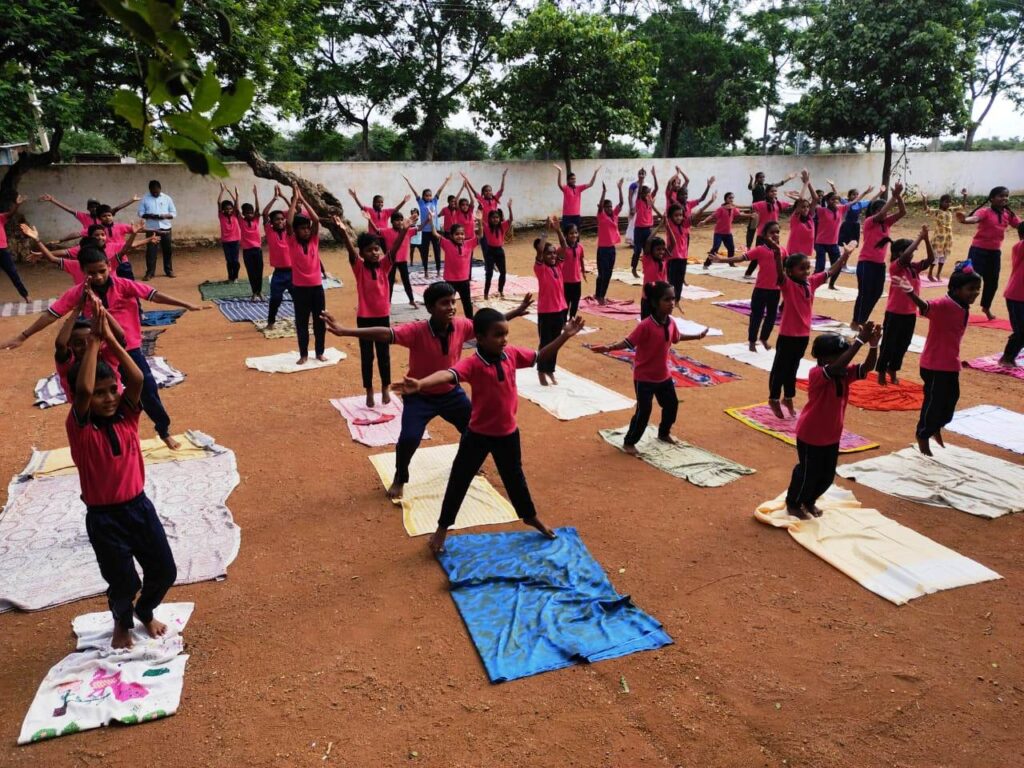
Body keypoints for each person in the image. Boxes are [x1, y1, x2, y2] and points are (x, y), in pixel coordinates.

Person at [391, 308, 582, 553]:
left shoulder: (511, 354)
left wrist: (565, 336)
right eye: (498, 335)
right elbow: (447, 375)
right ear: (479, 338)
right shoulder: (473, 364)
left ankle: (529, 516)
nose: (504, 339)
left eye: (506, 334)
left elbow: (539, 356)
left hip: (508, 435)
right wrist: (420, 383)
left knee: (515, 479)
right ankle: (442, 529)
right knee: (459, 480)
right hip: (477, 436)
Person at [322, 283, 533, 499]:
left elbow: (487, 327)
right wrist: (345, 331)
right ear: (430, 308)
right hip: (419, 397)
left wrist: (516, 312)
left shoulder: (461, 325)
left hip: (451, 394)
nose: (451, 307)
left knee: (474, 431)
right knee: (409, 439)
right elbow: (386, 334)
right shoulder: (417, 331)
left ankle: (466, 463)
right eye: (444, 303)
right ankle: (400, 477)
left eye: (453, 302)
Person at [2, 247, 203, 447]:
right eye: (91, 273)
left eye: (102, 271)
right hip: (100, 351)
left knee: (147, 388)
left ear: (109, 266)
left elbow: (154, 295)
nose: (98, 276)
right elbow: (51, 314)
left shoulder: (124, 285)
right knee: (102, 396)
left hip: (127, 348)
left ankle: (163, 431)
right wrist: (22, 336)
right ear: (83, 272)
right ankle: (107, 439)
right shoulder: (78, 293)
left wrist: (186, 304)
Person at [67, 300, 177, 649]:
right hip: (105, 519)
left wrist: (112, 342)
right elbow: (83, 391)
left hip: (139, 508)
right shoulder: (81, 429)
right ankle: (122, 622)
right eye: (100, 394)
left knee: (165, 571)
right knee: (123, 582)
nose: (109, 397)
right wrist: (94, 343)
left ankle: (145, 611)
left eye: (112, 389)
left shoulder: (127, 417)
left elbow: (137, 379)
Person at [589, 281, 709, 455]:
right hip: (644, 378)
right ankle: (629, 442)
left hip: (663, 376)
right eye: (667, 300)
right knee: (644, 411)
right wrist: (608, 348)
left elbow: (677, 337)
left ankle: (663, 433)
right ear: (654, 303)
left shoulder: (671, 322)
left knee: (671, 405)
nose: (672, 303)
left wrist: (697, 336)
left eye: (673, 299)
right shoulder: (645, 326)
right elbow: (628, 342)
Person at [785, 324, 880, 519]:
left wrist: (873, 345)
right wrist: (859, 341)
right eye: (840, 355)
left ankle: (809, 500)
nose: (844, 359)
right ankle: (793, 502)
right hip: (811, 434)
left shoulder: (843, 373)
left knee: (827, 476)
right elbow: (836, 366)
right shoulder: (817, 373)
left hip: (832, 435)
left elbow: (867, 368)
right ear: (824, 359)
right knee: (807, 473)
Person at [895, 262, 982, 456]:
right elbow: (926, 306)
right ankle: (923, 434)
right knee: (934, 403)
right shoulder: (945, 304)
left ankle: (935, 426)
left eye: (977, 289)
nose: (975, 293)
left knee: (951, 401)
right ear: (956, 289)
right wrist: (910, 293)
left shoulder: (962, 305)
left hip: (950, 364)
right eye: (971, 289)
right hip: (934, 365)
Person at [768, 248, 853, 418]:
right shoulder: (787, 284)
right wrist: (777, 257)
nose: (806, 271)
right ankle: (774, 398)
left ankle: (788, 397)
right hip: (787, 335)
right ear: (790, 271)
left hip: (803, 335)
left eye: (808, 267)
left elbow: (830, 271)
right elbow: (779, 274)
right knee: (780, 368)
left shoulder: (811, 282)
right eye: (802, 268)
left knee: (793, 367)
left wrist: (845, 255)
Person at [339, 221, 393, 408]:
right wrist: (344, 233)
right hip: (364, 318)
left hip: (383, 317)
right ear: (362, 253)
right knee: (367, 356)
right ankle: (369, 390)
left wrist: (403, 230)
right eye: (369, 250)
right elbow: (351, 251)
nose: (374, 253)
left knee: (384, 355)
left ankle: (385, 387)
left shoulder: (384, 266)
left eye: (377, 249)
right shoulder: (359, 268)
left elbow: (395, 249)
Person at [712, 221, 785, 352]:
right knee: (756, 316)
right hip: (761, 289)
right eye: (772, 232)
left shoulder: (783, 251)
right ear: (765, 235)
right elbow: (741, 258)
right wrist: (722, 260)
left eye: (777, 232)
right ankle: (752, 341)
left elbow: (788, 266)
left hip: (775, 290)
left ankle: (764, 338)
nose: (775, 235)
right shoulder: (760, 250)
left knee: (771, 316)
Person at [876, 227, 934, 385]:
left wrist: (926, 240)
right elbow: (906, 255)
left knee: (903, 344)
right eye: (910, 251)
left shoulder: (913, 267)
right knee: (888, 344)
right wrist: (919, 239)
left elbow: (930, 260)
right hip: (894, 313)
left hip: (910, 313)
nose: (912, 254)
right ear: (899, 253)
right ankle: (881, 371)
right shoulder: (895, 266)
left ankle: (893, 368)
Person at [957, 186, 1021, 320]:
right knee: (971, 280)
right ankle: (961, 307)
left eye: (1006, 196)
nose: (1004, 198)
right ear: (992, 198)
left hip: (995, 253)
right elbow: (975, 218)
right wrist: (964, 220)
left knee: (992, 282)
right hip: (978, 251)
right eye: (1001, 196)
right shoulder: (985, 211)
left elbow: (1020, 225)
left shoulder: (1008, 214)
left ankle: (986, 307)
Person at [851, 183, 906, 331]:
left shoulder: (887, 223)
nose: (886, 214)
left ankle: (862, 319)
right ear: (875, 211)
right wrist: (893, 197)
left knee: (876, 293)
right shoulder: (870, 221)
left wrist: (898, 197)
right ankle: (856, 321)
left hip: (879, 264)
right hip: (866, 263)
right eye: (882, 210)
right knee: (865, 293)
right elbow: (882, 214)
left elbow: (902, 212)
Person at [21, 222, 147, 281]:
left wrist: (134, 234)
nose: (98, 276)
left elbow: (126, 248)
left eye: (102, 235)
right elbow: (53, 257)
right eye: (96, 235)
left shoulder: (108, 262)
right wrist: (37, 241)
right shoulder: (77, 264)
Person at [286, 186, 327, 365]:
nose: (306, 231)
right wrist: (295, 200)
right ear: (296, 231)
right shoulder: (292, 241)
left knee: (320, 322)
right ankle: (303, 354)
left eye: (307, 228)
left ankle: (319, 352)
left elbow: (316, 220)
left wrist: (303, 198)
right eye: (302, 229)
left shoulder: (314, 241)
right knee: (302, 323)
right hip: (300, 289)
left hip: (317, 288)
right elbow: (288, 223)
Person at [742, 175, 801, 278]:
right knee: (758, 254)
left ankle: (780, 273)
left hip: (774, 234)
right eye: (771, 191)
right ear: (766, 193)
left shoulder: (779, 204)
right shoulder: (760, 204)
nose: (774, 193)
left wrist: (791, 195)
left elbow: (797, 203)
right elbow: (749, 207)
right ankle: (748, 273)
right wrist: (735, 207)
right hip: (762, 234)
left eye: (775, 191)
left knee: (778, 253)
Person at [534, 222, 568, 386]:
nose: (553, 256)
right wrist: (546, 231)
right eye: (549, 254)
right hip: (546, 312)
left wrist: (558, 230)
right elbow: (540, 250)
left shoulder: (559, 266)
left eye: (554, 253)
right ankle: (541, 371)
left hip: (561, 310)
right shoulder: (540, 269)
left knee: (555, 343)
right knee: (545, 342)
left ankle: (550, 370)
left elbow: (564, 246)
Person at [813, 186, 871, 276]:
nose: (835, 201)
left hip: (833, 243)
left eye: (836, 200)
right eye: (832, 199)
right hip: (821, 243)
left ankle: (831, 283)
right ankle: (814, 281)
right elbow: (814, 202)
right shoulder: (821, 210)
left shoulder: (841, 208)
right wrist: (808, 184)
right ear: (827, 201)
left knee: (837, 267)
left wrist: (865, 193)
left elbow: (854, 201)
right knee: (820, 267)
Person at [402, 174, 451, 278]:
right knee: (425, 252)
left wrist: (446, 181)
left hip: (435, 230)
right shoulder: (421, 203)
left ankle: (438, 271)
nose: (428, 197)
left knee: (437, 251)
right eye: (426, 195)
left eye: (430, 195)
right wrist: (408, 181)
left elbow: (439, 191)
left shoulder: (434, 201)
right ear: (423, 196)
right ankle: (425, 271)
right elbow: (415, 192)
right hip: (425, 231)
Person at [431, 216, 476, 318]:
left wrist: (480, 221)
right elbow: (435, 233)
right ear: (451, 236)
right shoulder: (446, 243)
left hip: (464, 281)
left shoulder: (468, 244)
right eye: (457, 234)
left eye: (462, 234)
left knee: (467, 303)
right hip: (450, 281)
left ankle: (470, 322)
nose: (460, 236)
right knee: (448, 303)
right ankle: (448, 321)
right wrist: (431, 221)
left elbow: (480, 235)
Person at [261, 186, 292, 329]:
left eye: (282, 219)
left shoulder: (290, 232)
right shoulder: (270, 232)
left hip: (293, 272)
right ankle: (271, 322)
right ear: (271, 223)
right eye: (277, 220)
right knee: (275, 299)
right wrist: (274, 198)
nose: (280, 221)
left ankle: (304, 318)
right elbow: (265, 213)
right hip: (279, 273)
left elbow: (293, 211)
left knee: (299, 298)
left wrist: (285, 196)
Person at [376, 210, 419, 309]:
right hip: (392, 261)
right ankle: (388, 302)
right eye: (396, 220)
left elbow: (419, 228)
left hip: (403, 261)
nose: (399, 222)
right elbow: (377, 230)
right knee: (390, 281)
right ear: (392, 222)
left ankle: (411, 300)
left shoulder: (408, 231)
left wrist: (428, 220)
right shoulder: (387, 231)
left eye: (401, 220)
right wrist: (370, 220)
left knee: (406, 281)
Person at [921, 189, 966, 282]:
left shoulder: (950, 210)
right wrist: (924, 199)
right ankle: (930, 274)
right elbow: (926, 209)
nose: (948, 204)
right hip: (938, 237)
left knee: (944, 256)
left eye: (949, 202)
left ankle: (938, 274)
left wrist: (965, 196)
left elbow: (962, 207)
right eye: (946, 202)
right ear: (941, 202)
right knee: (935, 256)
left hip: (948, 237)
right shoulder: (937, 211)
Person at [38, 193, 137, 235]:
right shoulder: (83, 216)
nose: (94, 208)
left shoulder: (103, 216)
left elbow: (117, 208)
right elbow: (69, 210)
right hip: (89, 241)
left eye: (96, 206)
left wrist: (132, 200)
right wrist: (53, 200)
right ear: (88, 209)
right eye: (91, 207)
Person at [746, 170, 797, 248]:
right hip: (757, 210)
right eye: (760, 177)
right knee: (752, 228)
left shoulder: (767, 186)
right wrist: (751, 180)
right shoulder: (755, 186)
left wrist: (789, 178)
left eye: (763, 177)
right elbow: (750, 187)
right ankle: (748, 246)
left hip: (767, 208)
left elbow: (779, 184)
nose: (762, 178)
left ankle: (771, 243)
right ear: (757, 178)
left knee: (769, 225)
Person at [698, 192, 752, 264]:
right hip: (718, 233)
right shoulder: (721, 209)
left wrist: (750, 215)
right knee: (715, 248)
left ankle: (731, 263)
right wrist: (704, 221)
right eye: (730, 198)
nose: (731, 199)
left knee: (731, 248)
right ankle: (707, 263)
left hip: (728, 233)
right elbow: (712, 215)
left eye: (732, 198)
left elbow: (740, 214)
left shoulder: (733, 208)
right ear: (725, 199)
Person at [137, 179, 176, 280]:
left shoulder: (167, 198)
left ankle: (169, 270)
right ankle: (150, 273)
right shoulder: (145, 199)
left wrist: (163, 216)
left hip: (166, 228)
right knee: (151, 251)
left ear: (160, 189)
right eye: (153, 192)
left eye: (156, 191)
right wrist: (150, 215)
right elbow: (140, 213)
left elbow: (173, 213)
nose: (155, 193)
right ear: (149, 189)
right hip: (151, 229)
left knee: (167, 250)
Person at [595, 179, 624, 305]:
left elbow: (621, 203)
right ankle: (600, 296)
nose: (610, 208)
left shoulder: (614, 215)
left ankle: (599, 295)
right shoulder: (601, 216)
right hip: (602, 249)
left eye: (611, 206)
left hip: (611, 249)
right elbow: (600, 207)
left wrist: (620, 188)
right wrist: (604, 192)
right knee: (602, 274)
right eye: (607, 207)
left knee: (608, 273)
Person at [1000, 223, 1024, 366]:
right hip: (1017, 295)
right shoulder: (1019, 247)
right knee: (1021, 330)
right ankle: (1007, 357)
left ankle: (1009, 357)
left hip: (1018, 295)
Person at [553, 219, 586, 318]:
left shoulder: (580, 247)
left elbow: (581, 259)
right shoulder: (561, 249)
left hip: (577, 281)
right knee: (565, 303)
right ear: (566, 235)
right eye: (571, 233)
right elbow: (555, 262)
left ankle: (572, 319)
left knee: (575, 302)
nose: (574, 235)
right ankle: (563, 321)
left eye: (576, 233)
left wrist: (583, 271)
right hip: (565, 282)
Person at [0, 195, 31, 301]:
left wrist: (17, 204)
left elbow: (10, 214)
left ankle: (25, 295)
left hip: (2, 251)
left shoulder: (0, 217)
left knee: (13, 273)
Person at [554, 163, 600, 232]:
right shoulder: (566, 188)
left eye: (575, 179)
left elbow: (590, 184)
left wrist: (595, 173)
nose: (574, 180)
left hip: (576, 216)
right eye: (572, 179)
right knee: (566, 233)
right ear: (568, 180)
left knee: (576, 233)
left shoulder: (579, 188)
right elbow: (559, 184)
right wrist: (560, 171)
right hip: (567, 216)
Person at [631, 167, 659, 276]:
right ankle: (634, 268)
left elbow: (656, 188)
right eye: (645, 193)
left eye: (648, 193)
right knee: (637, 250)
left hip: (648, 229)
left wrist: (654, 175)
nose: (647, 195)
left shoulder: (650, 201)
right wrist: (641, 179)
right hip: (639, 229)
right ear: (641, 194)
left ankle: (646, 268)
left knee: (648, 250)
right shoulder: (639, 201)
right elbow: (639, 191)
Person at [481, 204, 513, 300]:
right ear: (489, 219)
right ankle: (486, 293)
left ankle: (500, 290)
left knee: (503, 272)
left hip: (499, 251)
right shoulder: (487, 227)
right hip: (490, 251)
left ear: (499, 219)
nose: (495, 219)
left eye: (497, 218)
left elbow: (511, 219)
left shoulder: (502, 226)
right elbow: (479, 221)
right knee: (489, 273)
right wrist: (480, 210)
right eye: (493, 218)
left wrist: (509, 208)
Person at [239, 186, 265, 301]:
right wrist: (236, 197)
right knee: (251, 272)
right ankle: (254, 292)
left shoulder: (256, 220)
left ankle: (260, 292)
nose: (250, 214)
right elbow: (236, 211)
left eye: (251, 212)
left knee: (259, 271)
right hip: (247, 251)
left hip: (257, 250)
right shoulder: (241, 222)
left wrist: (255, 195)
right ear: (243, 213)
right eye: (247, 213)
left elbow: (258, 210)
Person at [217, 184, 243, 282]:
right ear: (223, 210)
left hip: (235, 240)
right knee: (229, 260)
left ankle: (235, 277)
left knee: (235, 260)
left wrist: (235, 194)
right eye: (226, 209)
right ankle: (230, 276)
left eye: (230, 208)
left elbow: (236, 203)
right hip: (226, 241)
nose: (229, 210)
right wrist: (222, 191)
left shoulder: (235, 215)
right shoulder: (221, 216)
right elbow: (219, 202)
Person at [626, 168, 646, 247]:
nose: (641, 175)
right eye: (639, 173)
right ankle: (632, 241)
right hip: (634, 206)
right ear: (638, 175)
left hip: (642, 207)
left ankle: (639, 240)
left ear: (645, 175)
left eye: (642, 174)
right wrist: (631, 208)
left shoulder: (646, 185)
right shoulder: (633, 185)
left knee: (640, 224)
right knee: (632, 223)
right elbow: (630, 196)